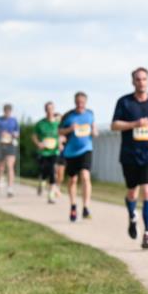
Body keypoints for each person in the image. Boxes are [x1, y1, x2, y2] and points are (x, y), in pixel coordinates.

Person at [111, 67, 148, 249]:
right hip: (129, 155)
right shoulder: (124, 102)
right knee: (132, 193)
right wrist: (135, 124)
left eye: (144, 79)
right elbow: (114, 125)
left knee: (147, 191)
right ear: (133, 82)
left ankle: (147, 232)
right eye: (138, 79)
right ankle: (132, 216)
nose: (141, 82)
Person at [58, 92, 97, 222]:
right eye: (78, 102)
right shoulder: (68, 116)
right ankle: (73, 205)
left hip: (86, 149)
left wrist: (94, 132)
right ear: (75, 102)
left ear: (85, 102)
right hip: (70, 152)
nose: (80, 104)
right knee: (73, 180)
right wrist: (70, 129)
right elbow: (59, 131)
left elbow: (94, 129)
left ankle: (86, 207)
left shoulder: (90, 114)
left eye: (82, 102)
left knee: (85, 176)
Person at [32, 102, 62, 203]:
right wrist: (38, 143)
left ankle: (51, 195)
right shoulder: (40, 124)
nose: (50, 111)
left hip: (54, 151)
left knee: (53, 170)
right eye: (48, 109)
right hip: (44, 152)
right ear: (45, 110)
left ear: (54, 110)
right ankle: (42, 182)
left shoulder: (58, 124)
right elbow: (34, 136)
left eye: (52, 109)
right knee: (45, 171)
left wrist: (61, 142)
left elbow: (62, 135)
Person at [0, 103, 20, 197]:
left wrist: (14, 134)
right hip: (0, 144)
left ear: (11, 112)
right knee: (1, 167)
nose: (7, 112)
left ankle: (10, 188)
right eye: (6, 110)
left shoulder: (14, 121)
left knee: (10, 166)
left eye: (9, 111)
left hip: (10, 145)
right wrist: (0, 133)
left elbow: (17, 132)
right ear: (4, 111)